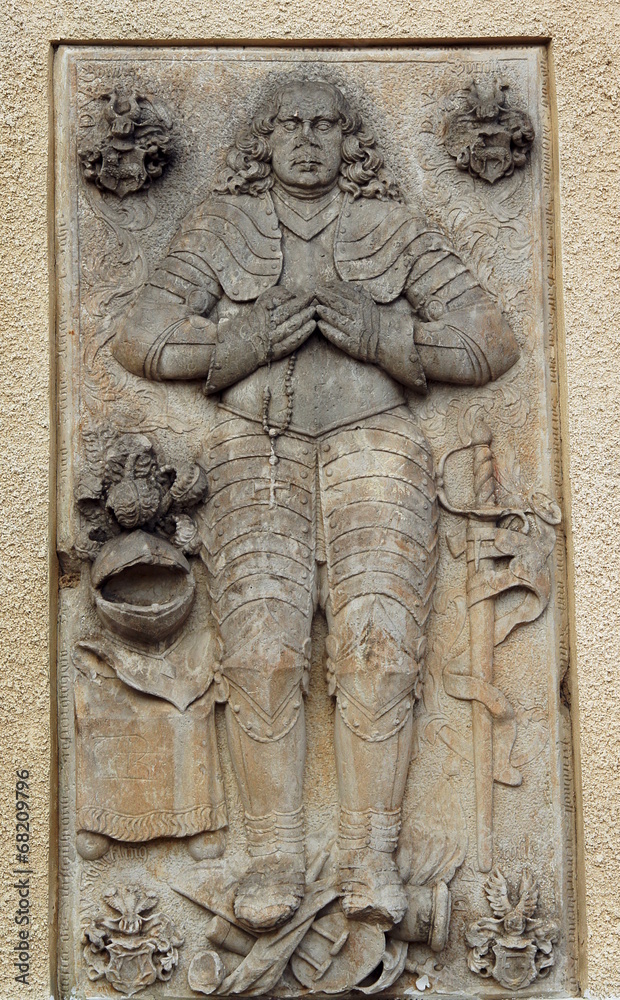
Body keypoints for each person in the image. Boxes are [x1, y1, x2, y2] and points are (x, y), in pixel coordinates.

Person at [113, 80, 519, 934]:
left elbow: (490, 339)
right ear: (264, 140)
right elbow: (140, 335)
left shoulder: (391, 230)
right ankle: (273, 855)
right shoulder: (223, 226)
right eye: (289, 125)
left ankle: (374, 854)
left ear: (350, 143)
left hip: (375, 443)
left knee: (379, 647)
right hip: (251, 446)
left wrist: (384, 337)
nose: (306, 141)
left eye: (324, 126)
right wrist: (243, 339)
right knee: (262, 654)